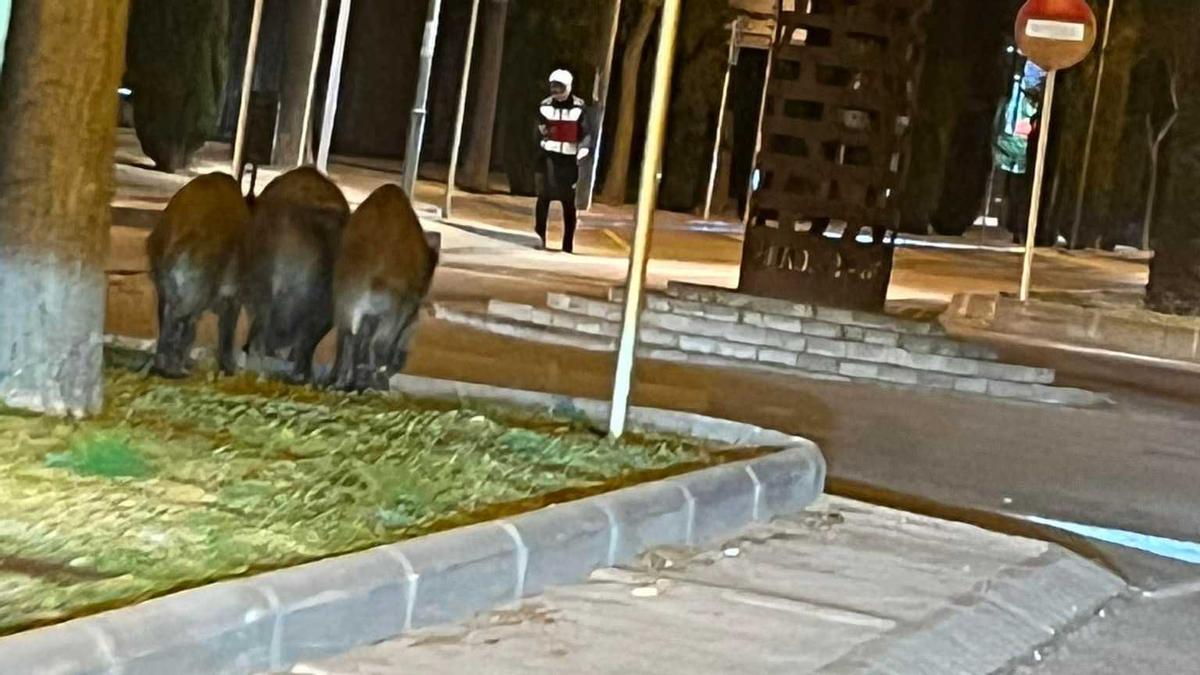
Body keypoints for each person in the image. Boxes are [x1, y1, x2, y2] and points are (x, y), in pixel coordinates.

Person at [535, 69, 592, 253]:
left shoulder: (578, 107)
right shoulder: (544, 105)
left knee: (568, 202)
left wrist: (583, 149)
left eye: (559, 86)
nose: (555, 90)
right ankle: (540, 237)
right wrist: (541, 134)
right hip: (549, 156)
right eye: (553, 86)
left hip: (569, 159)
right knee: (544, 197)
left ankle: (568, 244)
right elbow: (537, 127)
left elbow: (586, 132)